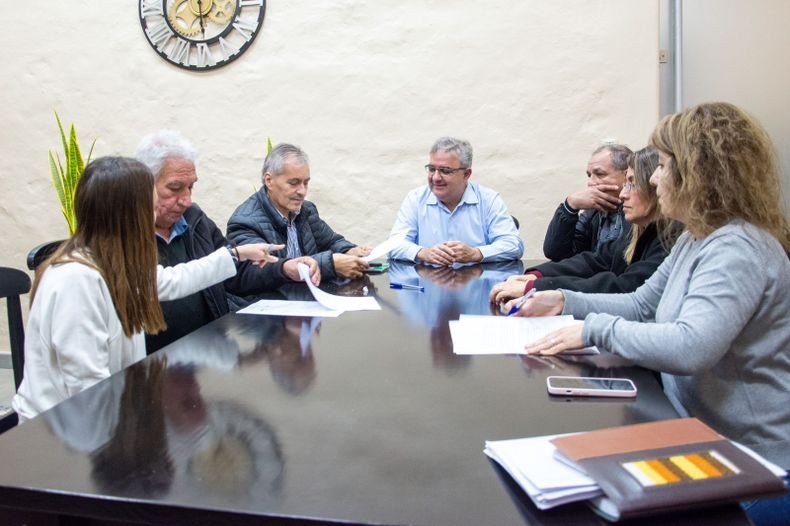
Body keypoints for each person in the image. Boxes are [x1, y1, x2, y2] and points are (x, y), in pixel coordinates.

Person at [514, 103, 790, 504]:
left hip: (754, 464)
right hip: (702, 438)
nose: (655, 179)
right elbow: (642, 305)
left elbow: (691, 346)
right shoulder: (698, 237)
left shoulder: (738, 247)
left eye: (662, 165)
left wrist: (593, 329)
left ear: (697, 172)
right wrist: (564, 300)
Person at [11, 157, 276, 421]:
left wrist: (236, 254)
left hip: (104, 420)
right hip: (60, 435)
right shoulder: (76, 281)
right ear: (128, 218)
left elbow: (175, 279)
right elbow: (88, 390)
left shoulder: (114, 265)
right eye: (149, 210)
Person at [136, 132, 320, 352]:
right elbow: (166, 283)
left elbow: (234, 275)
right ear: (143, 184)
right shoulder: (126, 237)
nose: (186, 200)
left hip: (207, 356)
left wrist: (282, 268)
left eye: (191, 187)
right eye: (175, 188)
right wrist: (236, 255)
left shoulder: (195, 220)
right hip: (151, 364)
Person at [490, 147, 676, 304]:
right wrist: (537, 275)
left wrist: (537, 287)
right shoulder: (607, 216)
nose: (623, 195)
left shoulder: (667, 235)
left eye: (632, 184)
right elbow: (592, 260)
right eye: (589, 175)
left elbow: (623, 286)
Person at [227, 143, 372, 281]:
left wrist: (350, 251)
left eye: (306, 183)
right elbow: (261, 271)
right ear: (269, 180)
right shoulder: (245, 221)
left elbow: (331, 241)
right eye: (294, 183)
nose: (302, 191)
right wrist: (329, 265)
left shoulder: (306, 210)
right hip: (265, 303)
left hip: (303, 298)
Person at [388, 136, 524, 265]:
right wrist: (423, 253)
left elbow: (513, 245)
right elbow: (393, 245)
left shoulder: (489, 200)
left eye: (445, 171)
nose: (435, 177)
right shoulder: (415, 199)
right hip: (428, 286)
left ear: (466, 174)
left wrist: (476, 253)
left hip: (477, 286)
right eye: (431, 169)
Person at [543, 143, 633, 262]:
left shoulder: (637, 212)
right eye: (589, 175)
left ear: (627, 176)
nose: (591, 183)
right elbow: (555, 253)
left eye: (600, 174)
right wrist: (570, 206)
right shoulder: (593, 213)